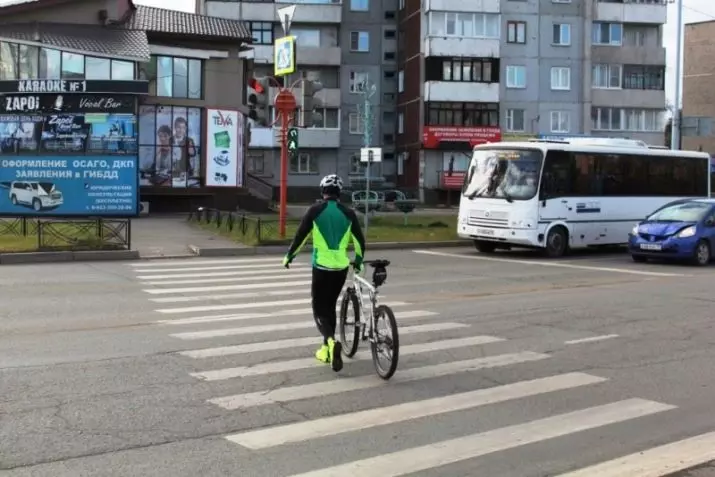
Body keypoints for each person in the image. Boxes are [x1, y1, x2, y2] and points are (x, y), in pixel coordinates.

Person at [282, 174, 366, 372]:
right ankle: (326, 348)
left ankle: (330, 341)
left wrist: (289, 257)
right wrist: (359, 263)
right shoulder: (349, 213)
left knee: (319, 307)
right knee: (330, 305)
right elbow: (360, 242)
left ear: (323, 191)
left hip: (321, 267)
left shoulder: (314, 210)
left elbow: (300, 236)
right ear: (340, 193)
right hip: (341, 268)